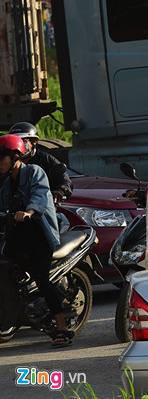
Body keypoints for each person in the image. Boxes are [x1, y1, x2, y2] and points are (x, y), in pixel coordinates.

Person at [0, 134, 72, 347]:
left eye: (1, 158)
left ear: (15, 157)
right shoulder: (6, 183)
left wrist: (29, 212)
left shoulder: (34, 172)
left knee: (42, 279)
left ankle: (62, 328)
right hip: (18, 235)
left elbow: (40, 196)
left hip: (39, 234)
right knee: (7, 263)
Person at [7, 122, 74, 201]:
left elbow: (65, 181)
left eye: (23, 141)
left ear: (34, 141)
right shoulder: (7, 161)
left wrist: (59, 192)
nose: (18, 146)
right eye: (15, 142)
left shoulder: (46, 160)